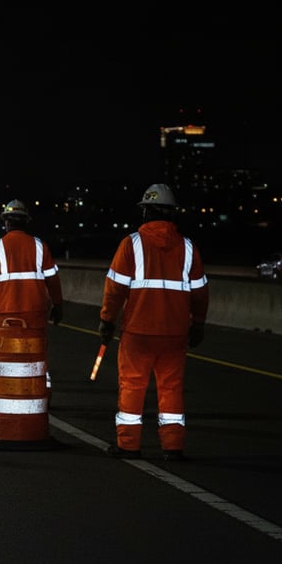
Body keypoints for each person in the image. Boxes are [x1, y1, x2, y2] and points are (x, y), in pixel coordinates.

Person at [99, 184, 209, 461]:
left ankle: (128, 445)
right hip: (174, 333)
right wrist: (198, 324)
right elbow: (200, 292)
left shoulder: (131, 244)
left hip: (138, 332)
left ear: (146, 211)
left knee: (132, 387)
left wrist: (107, 321)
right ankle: (173, 447)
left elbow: (114, 290)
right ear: (172, 213)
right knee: (171, 388)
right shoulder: (188, 247)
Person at [0, 199, 65, 400]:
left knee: (8, 356)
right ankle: (42, 394)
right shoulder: (40, 246)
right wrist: (58, 305)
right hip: (36, 311)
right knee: (37, 355)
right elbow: (53, 280)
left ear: (6, 222)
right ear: (26, 222)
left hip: (6, 313)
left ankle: (9, 393)